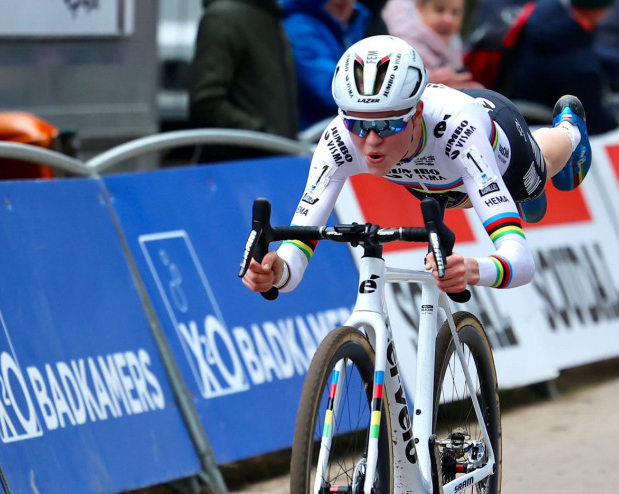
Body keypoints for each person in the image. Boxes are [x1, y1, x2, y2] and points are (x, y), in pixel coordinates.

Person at [241, 35, 592, 297]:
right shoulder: (338, 140)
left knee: (537, 175)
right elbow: (298, 249)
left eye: (388, 125)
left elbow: (522, 262)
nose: (372, 141)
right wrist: (277, 272)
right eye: (358, 125)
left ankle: (569, 130)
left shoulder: (459, 134)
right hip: (435, 178)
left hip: (492, 143)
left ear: (416, 113)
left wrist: (475, 269)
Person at [508, 0, 619, 135]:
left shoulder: (547, 13)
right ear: (601, 10)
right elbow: (593, 121)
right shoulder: (581, 69)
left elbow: (570, 50)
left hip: (520, 113)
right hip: (547, 136)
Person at [187, 0, 299, 163]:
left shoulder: (268, 14)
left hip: (269, 163)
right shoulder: (225, 17)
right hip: (239, 169)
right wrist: (263, 136)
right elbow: (207, 102)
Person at [284, 0, 373, 131]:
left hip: (344, 128)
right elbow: (332, 88)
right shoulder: (299, 27)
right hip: (315, 138)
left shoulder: (352, 21)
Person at [383, 0, 480, 87]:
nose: (448, 20)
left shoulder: (455, 46)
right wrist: (423, 80)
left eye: (455, 13)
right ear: (419, 8)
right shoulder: (400, 47)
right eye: (439, 10)